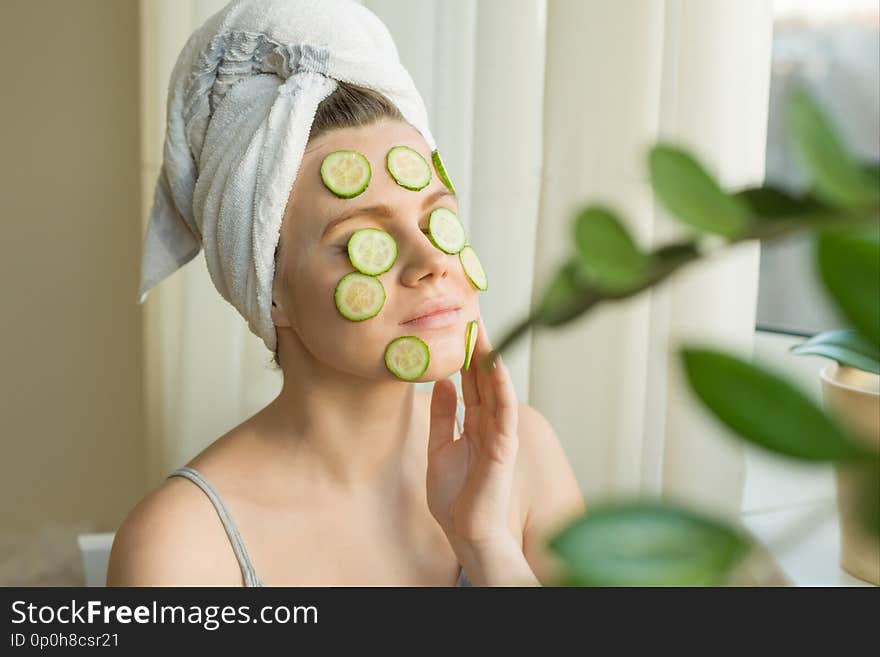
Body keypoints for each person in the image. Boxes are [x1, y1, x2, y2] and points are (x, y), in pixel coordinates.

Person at [107, 2, 584, 588]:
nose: (432, 262)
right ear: (269, 291)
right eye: (363, 240)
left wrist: (488, 547)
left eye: (438, 219)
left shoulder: (521, 455)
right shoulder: (182, 545)